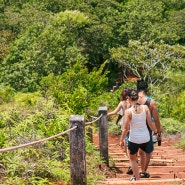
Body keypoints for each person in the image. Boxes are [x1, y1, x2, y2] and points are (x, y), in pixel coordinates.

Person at [119, 89, 157, 181]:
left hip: (134, 139)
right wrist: (156, 132)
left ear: (128, 98)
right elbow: (150, 123)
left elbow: (126, 128)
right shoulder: (145, 108)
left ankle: (137, 178)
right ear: (137, 97)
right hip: (145, 138)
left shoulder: (128, 111)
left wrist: (121, 140)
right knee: (143, 154)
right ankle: (143, 171)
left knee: (132, 158)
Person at [137, 79, 162, 178]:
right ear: (146, 89)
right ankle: (143, 171)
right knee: (148, 151)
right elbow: (156, 119)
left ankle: (136, 169)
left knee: (138, 150)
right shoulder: (151, 102)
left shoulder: (132, 99)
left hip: (135, 127)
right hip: (147, 128)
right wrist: (158, 130)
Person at [108, 87, 130, 156]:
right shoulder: (132, 102)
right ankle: (132, 153)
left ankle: (126, 153)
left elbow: (115, 112)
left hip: (125, 120)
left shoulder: (122, 103)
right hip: (132, 119)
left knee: (125, 137)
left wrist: (107, 114)